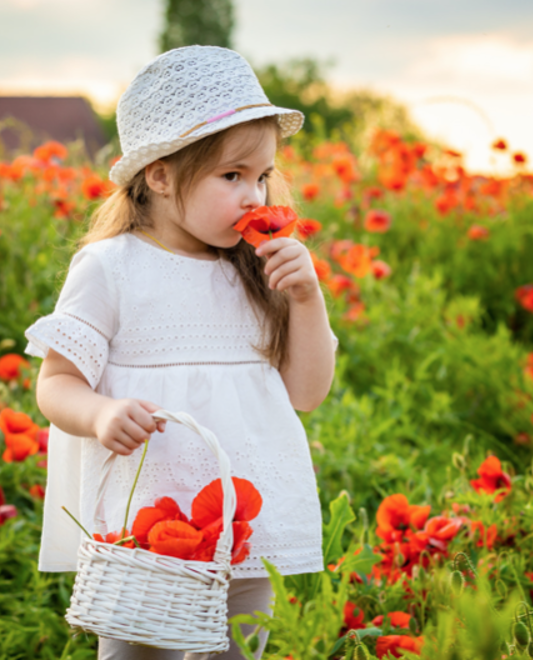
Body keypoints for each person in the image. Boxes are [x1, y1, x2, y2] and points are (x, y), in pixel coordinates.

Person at [25, 45, 336, 660]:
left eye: (262, 176)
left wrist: (306, 297)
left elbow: (305, 392)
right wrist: (100, 414)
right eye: (231, 176)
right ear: (160, 176)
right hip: (148, 526)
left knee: (236, 652)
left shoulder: (256, 268)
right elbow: (55, 383)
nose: (254, 196)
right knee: (136, 652)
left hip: (245, 520)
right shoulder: (111, 266)